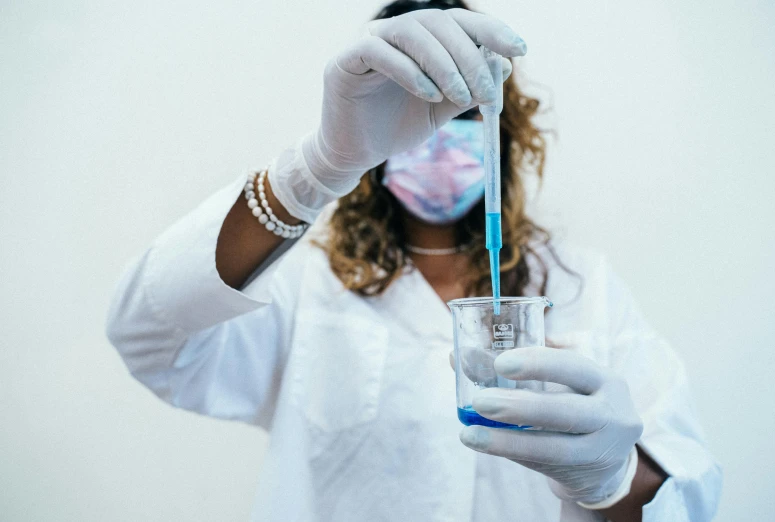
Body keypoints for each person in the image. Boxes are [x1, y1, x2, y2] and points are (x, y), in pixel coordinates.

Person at [105, 1, 722, 520]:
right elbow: (148, 333)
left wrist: (611, 477)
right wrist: (317, 168)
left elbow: (689, 489)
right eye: (410, 111)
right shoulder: (304, 281)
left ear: (497, 130)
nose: (434, 138)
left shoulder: (581, 286)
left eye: (459, 117)